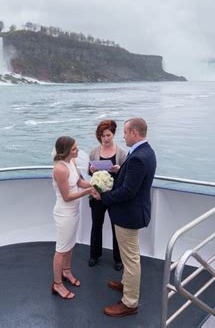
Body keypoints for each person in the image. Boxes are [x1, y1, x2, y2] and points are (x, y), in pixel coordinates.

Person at [91, 117, 156, 317]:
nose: (124, 136)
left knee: (131, 258)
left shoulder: (137, 157)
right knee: (130, 256)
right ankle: (126, 284)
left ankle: (129, 302)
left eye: (126, 133)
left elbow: (128, 191)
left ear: (135, 133)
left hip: (129, 214)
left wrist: (103, 196)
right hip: (132, 212)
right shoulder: (146, 151)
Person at [51, 136, 93, 300]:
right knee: (61, 249)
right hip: (64, 213)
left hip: (74, 211)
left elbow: (80, 182)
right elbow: (67, 196)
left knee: (70, 244)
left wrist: (95, 183)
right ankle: (57, 283)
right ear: (67, 151)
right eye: (75, 148)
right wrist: (88, 192)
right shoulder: (60, 169)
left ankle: (66, 271)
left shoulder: (72, 163)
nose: (78, 150)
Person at [88, 120, 126, 270]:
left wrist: (119, 170)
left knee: (116, 227)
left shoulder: (121, 153)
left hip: (114, 196)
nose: (105, 138)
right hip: (97, 195)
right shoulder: (94, 151)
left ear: (114, 134)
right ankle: (94, 255)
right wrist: (91, 170)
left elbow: (126, 175)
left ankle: (118, 258)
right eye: (102, 135)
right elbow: (88, 172)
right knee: (96, 225)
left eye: (108, 135)